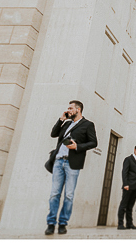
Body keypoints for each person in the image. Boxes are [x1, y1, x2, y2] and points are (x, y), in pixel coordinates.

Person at [44, 100, 98, 236]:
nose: (68, 110)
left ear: (78, 109)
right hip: (58, 161)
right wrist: (61, 119)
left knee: (69, 195)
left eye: (70, 108)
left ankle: (62, 223)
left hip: (72, 163)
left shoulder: (88, 124)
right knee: (54, 193)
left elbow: (93, 142)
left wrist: (77, 147)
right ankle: (51, 223)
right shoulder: (67, 123)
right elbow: (53, 134)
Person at [118, 144, 136, 230]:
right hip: (128, 186)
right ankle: (120, 224)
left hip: (135, 187)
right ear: (134, 149)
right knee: (123, 205)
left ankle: (129, 224)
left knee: (130, 206)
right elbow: (124, 172)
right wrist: (125, 184)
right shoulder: (128, 159)